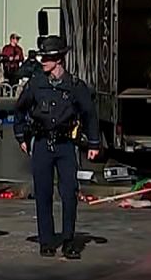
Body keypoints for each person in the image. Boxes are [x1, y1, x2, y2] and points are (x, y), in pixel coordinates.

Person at [13, 35, 100, 259]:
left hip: (65, 145)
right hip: (42, 142)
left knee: (69, 192)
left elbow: (89, 114)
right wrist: (21, 136)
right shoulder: (36, 83)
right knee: (42, 193)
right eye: (43, 56)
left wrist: (93, 143)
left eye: (48, 57)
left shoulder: (74, 86)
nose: (43, 61)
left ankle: (70, 241)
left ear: (59, 59)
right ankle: (47, 240)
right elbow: (20, 109)